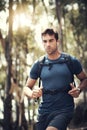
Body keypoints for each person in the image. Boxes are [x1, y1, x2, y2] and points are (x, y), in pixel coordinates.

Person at [22, 28, 87, 130]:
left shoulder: (70, 61)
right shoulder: (39, 64)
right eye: (45, 41)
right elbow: (26, 87)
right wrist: (32, 94)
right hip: (44, 111)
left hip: (64, 109)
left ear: (57, 41)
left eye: (51, 40)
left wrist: (79, 89)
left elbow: (84, 79)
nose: (48, 44)